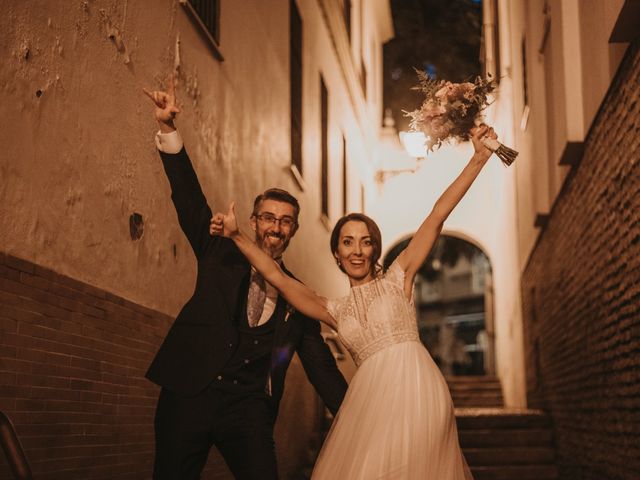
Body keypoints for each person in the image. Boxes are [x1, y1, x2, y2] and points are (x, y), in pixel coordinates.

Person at [210, 124, 498, 479]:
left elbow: (437, 216)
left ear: (375, 248)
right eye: (347, 242)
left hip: (419, 391)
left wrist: (479, 158)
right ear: (336, 252)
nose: (357, 250)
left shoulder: (399, 276)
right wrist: (237, 236)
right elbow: (277, 277)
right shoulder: (331, 309)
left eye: (365, 241)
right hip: (371, 405)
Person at [142, 74, 347, 479]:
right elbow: (188, 197)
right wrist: (168, 127)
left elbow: (320, 366)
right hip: (189, 395)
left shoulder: (297, 295)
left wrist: (358, 412)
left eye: (286, 221)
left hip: (249, 409)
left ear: (294, 231)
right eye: (269, 217)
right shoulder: (219, 250)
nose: (276, 226)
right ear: (253, 222)